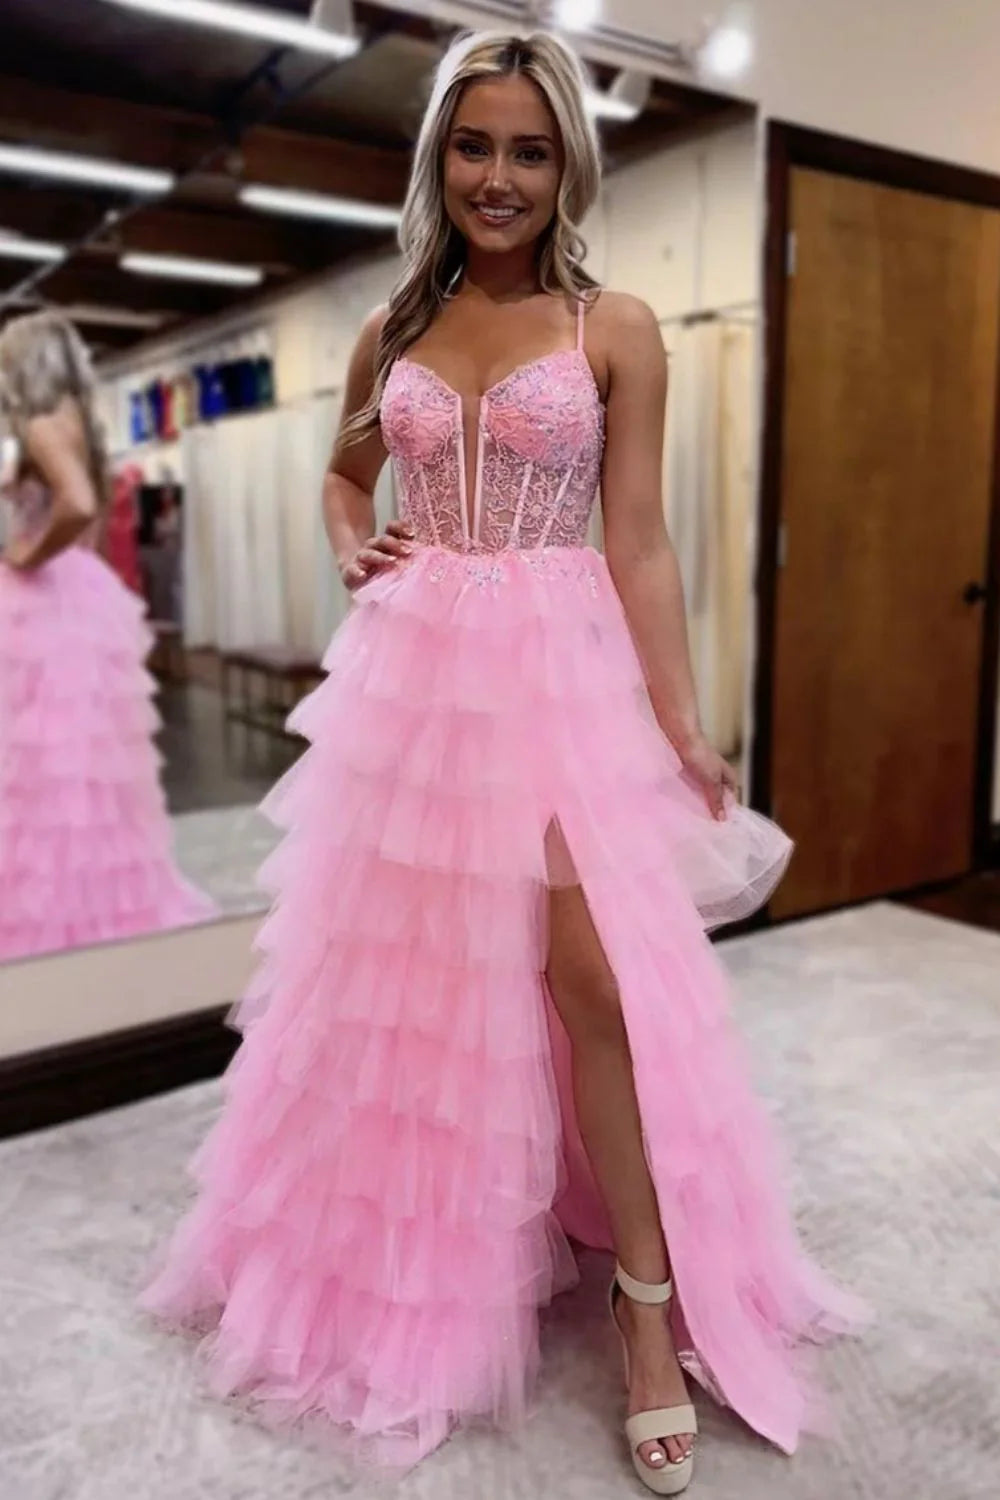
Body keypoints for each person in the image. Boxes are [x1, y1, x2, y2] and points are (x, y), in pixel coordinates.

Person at [138, 29, 867, 1491]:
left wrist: (679, 719)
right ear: (438, 158)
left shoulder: (617, 327)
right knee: (417, 993)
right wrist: (355, 543)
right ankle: (430, 1260)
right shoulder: (388, 332)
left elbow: (639, 541)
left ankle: (646, 1301)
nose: (499, 177)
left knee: (594, 981)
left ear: (567, 168)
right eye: (474, 145)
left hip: (558, 675)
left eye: (531, 151)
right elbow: (343, 474)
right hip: (416, 684)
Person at [0, 311, 215, 959]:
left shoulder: (39, 423)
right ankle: (92, 897)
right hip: (80, 593)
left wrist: (24, 556)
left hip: (42, 595)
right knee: (79, 761)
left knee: (40, 760)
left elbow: (78, 504)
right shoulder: (82, 425)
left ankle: (50, 907)